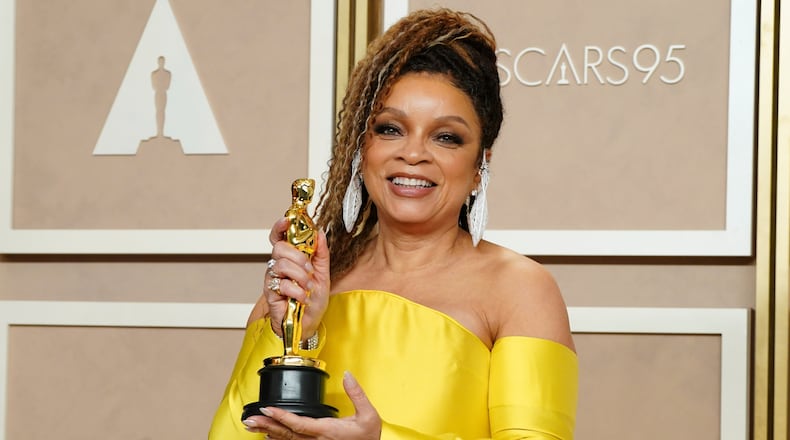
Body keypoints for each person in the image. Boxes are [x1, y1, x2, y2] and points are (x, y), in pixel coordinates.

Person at [209, 8, 578, 440]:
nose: (413, 153)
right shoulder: (302, 284)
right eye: (389, 129)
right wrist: (293, 335)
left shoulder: (520, 290)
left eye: (446, 137)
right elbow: (231, 435)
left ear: (480, 165)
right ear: (361, 149)